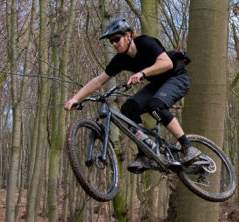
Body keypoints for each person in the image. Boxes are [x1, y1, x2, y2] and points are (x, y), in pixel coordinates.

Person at [64, 17, 199, 172]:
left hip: (177, 78)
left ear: (128, 35)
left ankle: (188, 147)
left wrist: (142, 73)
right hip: (156, 85)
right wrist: (75, 98)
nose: (114, 44)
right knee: (128, 109)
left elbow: (166, 63)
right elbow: (98, 81)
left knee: (155, 106)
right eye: (111, 42)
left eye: (116, 39)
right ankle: (144, 153)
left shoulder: (146, 43)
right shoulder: (120, 60)